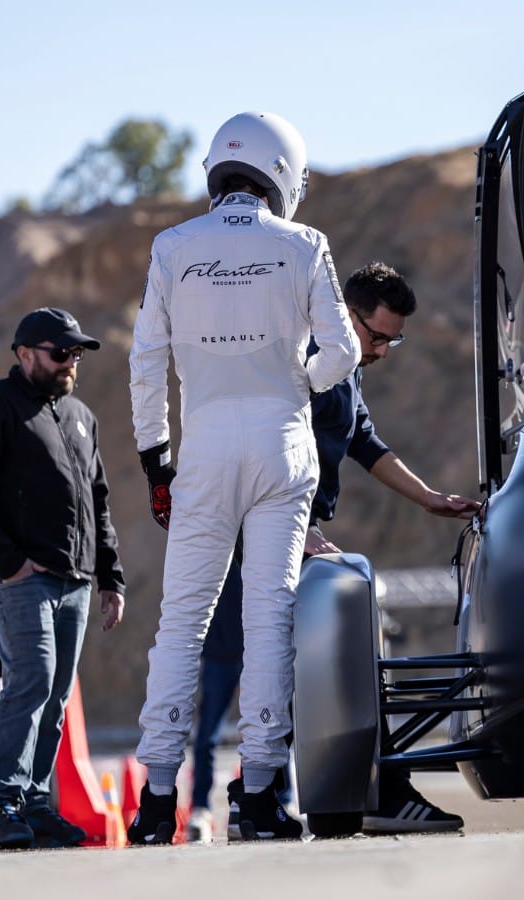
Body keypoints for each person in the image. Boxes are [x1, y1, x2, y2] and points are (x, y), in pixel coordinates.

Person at [128, 111, 359, 844]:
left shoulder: (173, 247)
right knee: (268, 624)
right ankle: (257, 796)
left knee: (180, 626)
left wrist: (153, 457)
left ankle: (157, 800)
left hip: (201, 448)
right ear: (283, 173)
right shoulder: (305, 244)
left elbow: (144, 362)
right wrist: (300, 376)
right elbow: (344, 351)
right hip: (281, 442)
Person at [183, 263, 476, 842]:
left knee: (302, 668)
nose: (386, 350)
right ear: (346, 315)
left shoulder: (345, 367)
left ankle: (276, 798)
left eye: (395, 339)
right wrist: (293, 527)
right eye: (379, 336)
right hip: (265, 530)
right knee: (312, 659)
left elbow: (364, 439)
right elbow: (252, 448)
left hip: (290, 529)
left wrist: (428, 499)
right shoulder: (299, 358)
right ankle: (352, 793)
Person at [0, 307, 127, 850]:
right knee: (32, 679)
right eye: (59, 352)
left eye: (76, 354)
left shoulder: (80, 415)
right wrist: (9, 562)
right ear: (24, 355)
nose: (71, 362)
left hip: (73, 578)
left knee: (56, 694)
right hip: (21, 579)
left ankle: (34, 804)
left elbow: (98, 499)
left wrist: (110, 577)